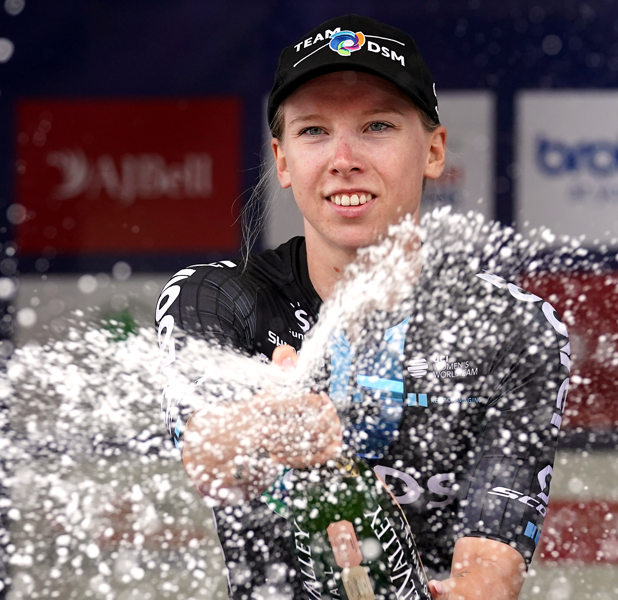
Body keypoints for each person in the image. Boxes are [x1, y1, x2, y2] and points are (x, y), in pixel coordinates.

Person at [155, 14, 569, 600]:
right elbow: (209, 457)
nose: (343, 158)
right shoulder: (217, 297)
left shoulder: (511, 327)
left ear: (434, 150)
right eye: (314, 131)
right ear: (282, 160)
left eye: (377, 126)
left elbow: (491, 569)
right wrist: (267, 427)